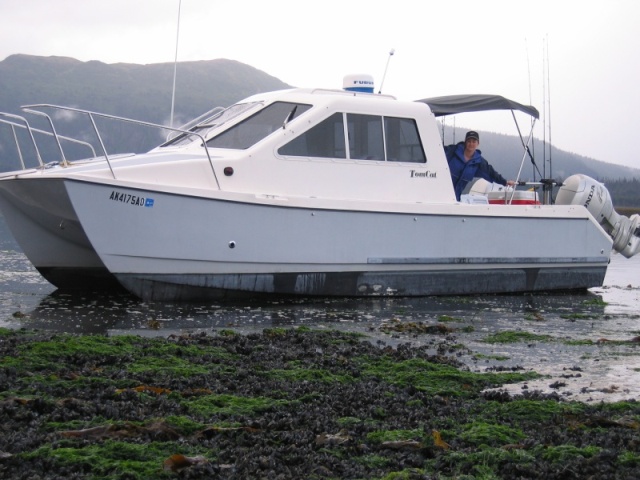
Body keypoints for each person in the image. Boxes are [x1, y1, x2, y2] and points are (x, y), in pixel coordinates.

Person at [444, 130, 516, 201]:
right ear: (465, 142)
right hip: (440, 192)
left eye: (474, 142)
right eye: (469, 141)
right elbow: (437, 150)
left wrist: (505, 182)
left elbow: (491, 173)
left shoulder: (479, 162)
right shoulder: (452, 151)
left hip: (455, 199)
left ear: (478, 143)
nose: (471, 144)